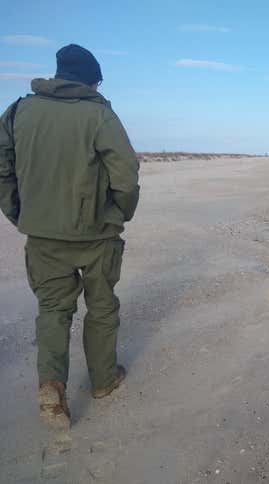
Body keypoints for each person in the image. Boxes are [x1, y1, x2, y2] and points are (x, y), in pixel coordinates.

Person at [0, 44, 140, 429]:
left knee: (53, 310)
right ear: (92, 80)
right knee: (101, 306)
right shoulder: (99, 114)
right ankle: (103, 380)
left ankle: (51, 385)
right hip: (95, 235)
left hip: (43, 234)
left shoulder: (18, 112)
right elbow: (126, 176)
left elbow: (2, 168)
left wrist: (18, 212)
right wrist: (118, 214)